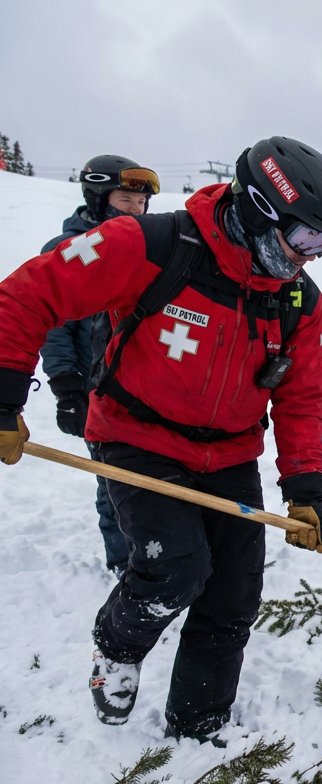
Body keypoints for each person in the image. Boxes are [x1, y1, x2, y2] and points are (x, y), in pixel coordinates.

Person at [0, 136, 322, 743]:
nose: (313, 256)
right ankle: (116, 645)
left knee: (232, 596)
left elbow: (301, 398)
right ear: (260, 209)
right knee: (177, 569)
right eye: (305, 239)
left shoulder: (297, 299)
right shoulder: (151, 245)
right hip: (136, 436)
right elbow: (27, 297)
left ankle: (197, 727)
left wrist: (304, 488)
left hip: (231, 452)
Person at [40, 154, 160, 575]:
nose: (137, 210)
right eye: (127, 199)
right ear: (97, 198)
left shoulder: (148, 248)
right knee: (113, 481)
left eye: (141, 202)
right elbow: (53, 327)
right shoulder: (69, 252)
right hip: (95, 390)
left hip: (144, 391)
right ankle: (125, 563)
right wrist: (66, 386)